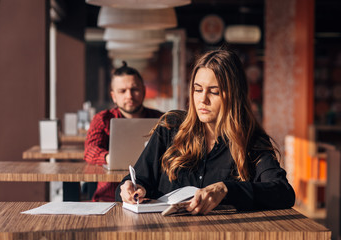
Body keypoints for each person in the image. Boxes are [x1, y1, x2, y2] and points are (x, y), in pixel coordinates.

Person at [115, 49, 295, 214]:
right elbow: (136, 181)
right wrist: (129, 188)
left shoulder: (251, 139)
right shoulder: (170, 128)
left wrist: (225, 189)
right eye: (198, 89)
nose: (202, 99)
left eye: (214, 92)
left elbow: (283, 192)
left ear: (234, 95)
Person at [84, 61, 163, 202]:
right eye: (122, 91)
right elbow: (90, 149)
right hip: (108, 197)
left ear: (144, 91)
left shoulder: (161, 119)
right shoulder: (103, 118)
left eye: (134, 89)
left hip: (151, 197)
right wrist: (110, 158)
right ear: (114, 96)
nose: (129, 96)